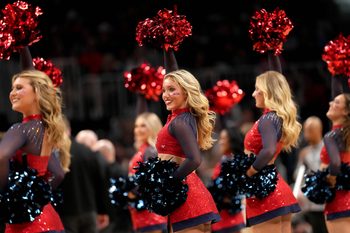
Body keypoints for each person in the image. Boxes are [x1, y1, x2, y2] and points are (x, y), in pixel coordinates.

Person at [0, 69, 71, 232]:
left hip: (26, 226)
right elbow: (59, 174)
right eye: (12, 88)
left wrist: (5, 198)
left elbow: (1, 157)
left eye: (19, 88)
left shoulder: (21, 129)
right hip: (51, 222)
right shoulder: (45, 129)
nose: (12, 93)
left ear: (37, 93)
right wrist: (36, 198)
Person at [156, 69, 221, 232]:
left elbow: (195, 159)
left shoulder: (180, 122)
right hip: (193, 198)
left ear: (186, 92)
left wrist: (168, 182)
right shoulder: (182, 118)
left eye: (171, 89)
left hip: (187, 202)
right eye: (164, 90)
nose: (165, 95)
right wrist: (167, 47)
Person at [243, 70, 302, 233]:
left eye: (257, 89)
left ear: (267, 92)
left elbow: (268, 150)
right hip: (276, 188)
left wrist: (249, 172)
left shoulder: (268, 119)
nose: (254, 94)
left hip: (266, 193)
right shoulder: (275, 118)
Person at [57, 119, 111, 233]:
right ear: (69, 129)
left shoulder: (56, 153)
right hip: (89, 211)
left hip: (66, 213)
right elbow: (100, 182)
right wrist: (103, 210)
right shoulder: (87, 152)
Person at [128, 112, 168, 233]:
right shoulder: (144, 149)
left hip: (151, 216)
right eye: (136, 126)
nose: (138, 130)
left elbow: (152, 180)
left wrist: (133, 191)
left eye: (143, 126)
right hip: (143, 213)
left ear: (152, 127)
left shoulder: (151, 151)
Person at [319, 89, 350, 233]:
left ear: (345, 111)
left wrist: (328, 181)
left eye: (337, 102)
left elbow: (336, 164)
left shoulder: (331, 135)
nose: (331, 103)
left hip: (339, 199)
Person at [293, 116, 327, 233]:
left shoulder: (327, 149)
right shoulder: (304, 153)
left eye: (311, 129)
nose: (307, 133)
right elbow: (298, 174)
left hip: (327, 198)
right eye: (306, 129)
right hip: (311, 200)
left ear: (319, 130)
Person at [211, 127, 246, 233]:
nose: (220, 142)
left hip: (229, 218)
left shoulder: (233, 162)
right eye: (220, 139)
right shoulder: (226, 160)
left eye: (224, 139)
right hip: (223, 217)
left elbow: (229, 190)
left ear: (232, 141)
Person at [93, 138, 132, 233]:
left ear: (102, 155)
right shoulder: (121, 171)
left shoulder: (106, 174)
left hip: (116, 225)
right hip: (123, 223)